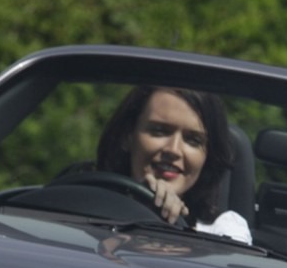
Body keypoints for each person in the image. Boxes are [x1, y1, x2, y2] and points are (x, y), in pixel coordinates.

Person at [91, 86, 252, 243]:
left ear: (208, 156)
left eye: (193, 140)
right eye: (159, 131)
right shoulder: (84, 203)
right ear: (128, 135)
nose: (173, 150)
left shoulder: (225, 232)